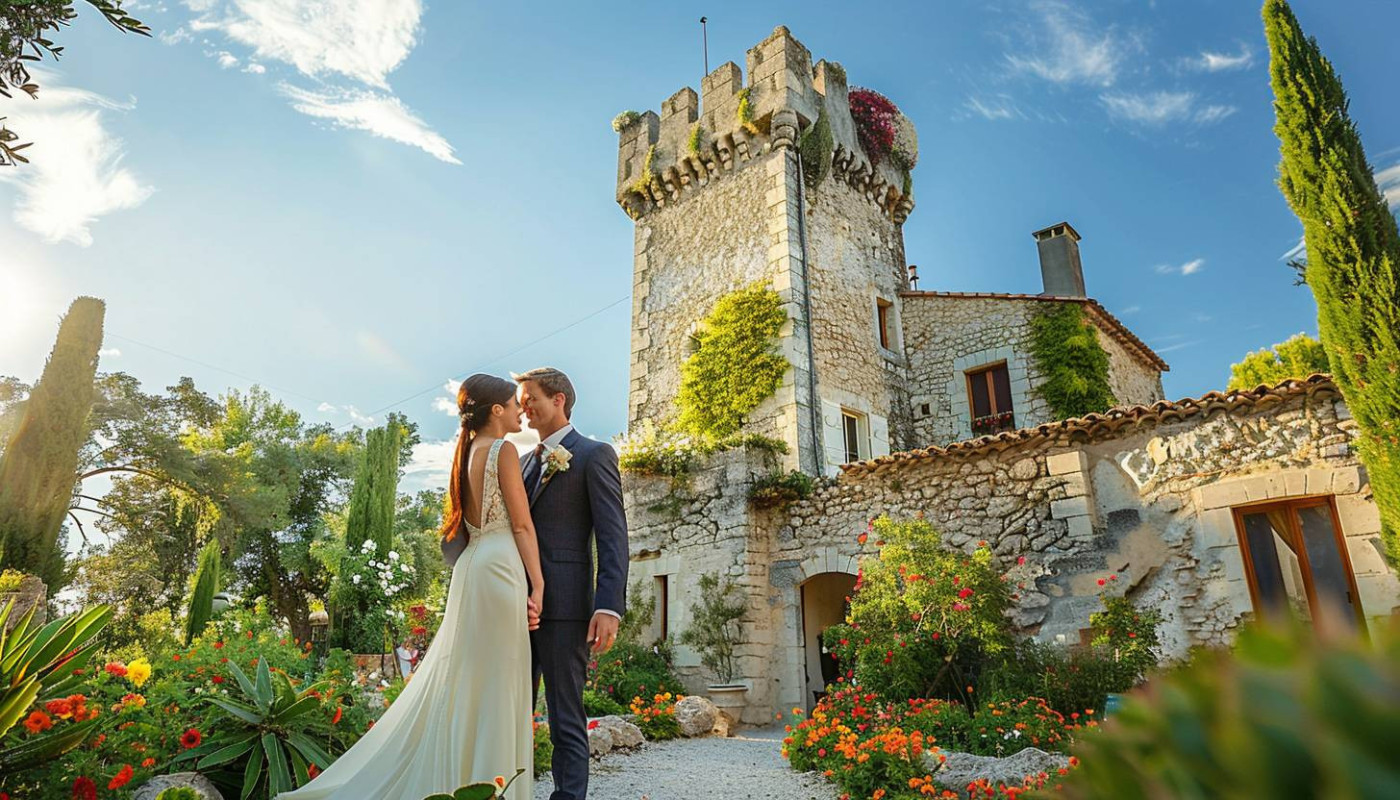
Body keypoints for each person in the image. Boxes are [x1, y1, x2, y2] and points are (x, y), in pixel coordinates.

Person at [278, 374, 543, 799]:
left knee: (470, 678)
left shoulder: (467, 453)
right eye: (513, 404)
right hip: (501, 569)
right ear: (496, 410)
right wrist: (539, 585)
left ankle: (470, 779)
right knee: (497, 681)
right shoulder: (502, 450)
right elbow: (522, 525)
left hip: (473, 568)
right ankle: (493, 785)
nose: (518, 411)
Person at [514, 367, 629, 800]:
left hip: (567, 608)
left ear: (558, 399)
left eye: (531, 399)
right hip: (517, 605)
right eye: (521, 401)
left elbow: (613, 535)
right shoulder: (522, 462)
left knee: (565, 716)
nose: (524, 407)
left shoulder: (594, 454)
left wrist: (608, 605)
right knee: (512, 711)